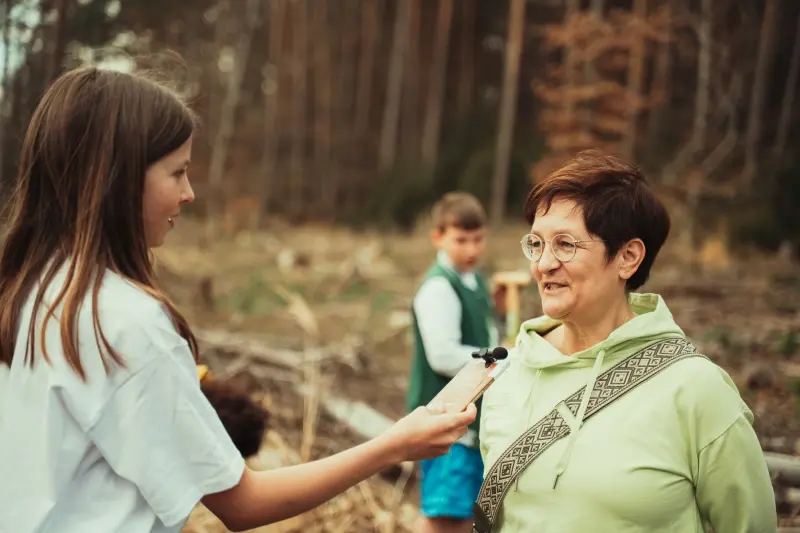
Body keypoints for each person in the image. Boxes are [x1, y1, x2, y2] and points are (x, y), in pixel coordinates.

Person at [0, 66, 476, 533]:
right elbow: (244, 503)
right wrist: (394, 445)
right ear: (115, 179)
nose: (189, 193)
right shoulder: (127, 324)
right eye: (177, 172)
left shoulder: (25, 294)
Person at [477, 151, 777, 533]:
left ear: (628, 257)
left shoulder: (696, 390)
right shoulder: (508, 376)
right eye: (537, 244)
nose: (543, 264)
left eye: (565, 245)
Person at [406, 192, 500, 533]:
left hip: (468, 421)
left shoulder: (474, 281)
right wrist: (500, 357)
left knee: (465, 516)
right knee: (444, 516)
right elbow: (443, 355)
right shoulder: (438, 287)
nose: (471, 249)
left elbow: (482, 331)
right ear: (438, 237)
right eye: (461, 240)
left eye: (478, 239)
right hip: (444, 420)